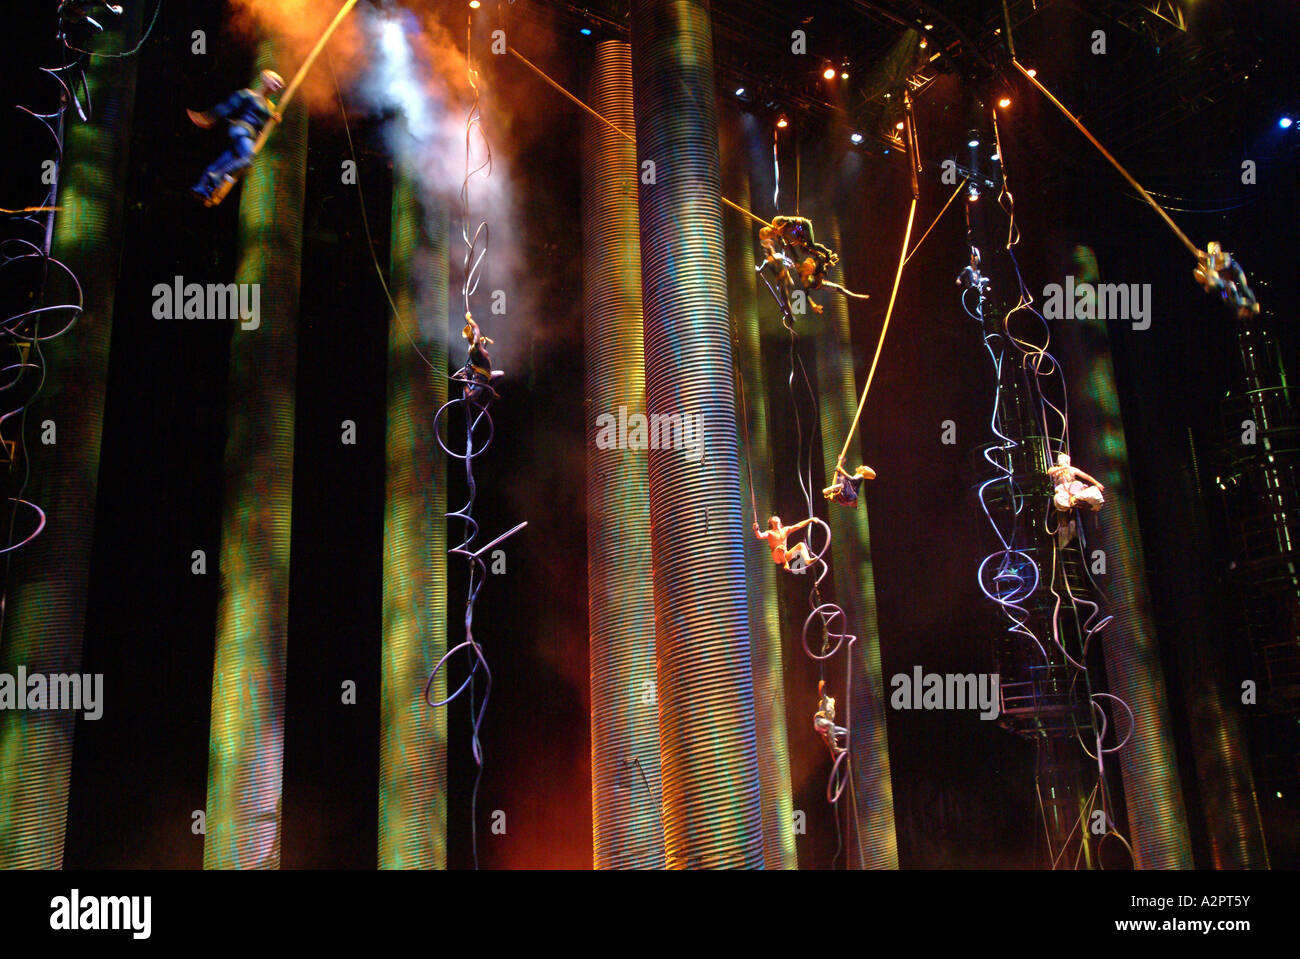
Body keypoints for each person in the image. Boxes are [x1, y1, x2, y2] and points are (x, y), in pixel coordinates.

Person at [188, 70, 285, 207]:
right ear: (265, 79)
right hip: (240, 130)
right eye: (275, 81)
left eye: (280, 84)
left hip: (250, 136)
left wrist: (274, 119)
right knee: (247, 157)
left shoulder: (270, 106)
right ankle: (217, 178)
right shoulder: (248, 94)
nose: (277, 85)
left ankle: (202, 189)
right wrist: (208, 117)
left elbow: (263, 125)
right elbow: (227, 107)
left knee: (226, 159)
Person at [1047, 453, 1104, 545]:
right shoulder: (1056, 470)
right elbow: (1050, 471)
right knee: (1059, 500)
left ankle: (1077, 500)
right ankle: (1070, 508)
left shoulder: (1072, 470)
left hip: (1073, 491)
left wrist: (1096, 483)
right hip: (1063, 493)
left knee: (1079, 485)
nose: (1067, 464)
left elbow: (1086, 476)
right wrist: (1062, 468)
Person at [456, 315, 504, 401]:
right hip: (480, 378)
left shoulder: (472, 347)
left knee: (501, 374)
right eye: (474, 335)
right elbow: (476, 328)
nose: (476, 335)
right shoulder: (476, 346)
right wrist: (469, 319)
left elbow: (475, 340)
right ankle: (465, 382)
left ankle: (489, 390)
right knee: (469, 397)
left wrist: (483, 339)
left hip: (487, 375)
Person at [813, 680, 847, 757]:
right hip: (819, 721)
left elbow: (827, 733)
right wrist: (821, 685)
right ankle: (835, 749)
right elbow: (822, 693)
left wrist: (830, 738)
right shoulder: (825, 701)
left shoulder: (831, 712)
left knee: (848, 733)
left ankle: (840, 745)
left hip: (826, 726)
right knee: (831, 725)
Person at [59, 1, 123, 37]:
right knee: (98, 29)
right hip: (69, 15)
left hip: (70, 16)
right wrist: (119, 9)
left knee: (98, 29)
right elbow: (114, 13)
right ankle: (65, 32)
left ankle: (64, 32)